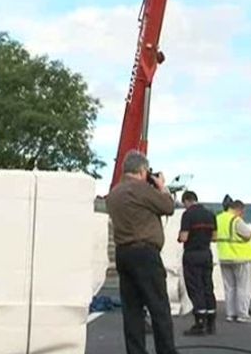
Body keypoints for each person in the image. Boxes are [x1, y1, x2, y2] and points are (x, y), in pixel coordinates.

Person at [106, 150, 178, 354]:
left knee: (132, 310)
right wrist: (162, 187)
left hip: (123, 253)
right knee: (159, 307)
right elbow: (168, 206)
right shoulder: (140, 189)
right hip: (145, 253)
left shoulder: (114, 194)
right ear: (142, 170)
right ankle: (166, 351)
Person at [178, 190, 217, 336]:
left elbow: (184, 237)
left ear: (187, 201)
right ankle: (211, 323)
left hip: (192, 254)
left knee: (195, 287)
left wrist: (181, 237)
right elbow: (214, 237)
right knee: (208, 286)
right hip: (206, 253)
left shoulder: (188, 214)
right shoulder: (210, 214)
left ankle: (199, 322)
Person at [215, 196, 251, 323]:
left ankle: (230, 313)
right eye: (242, 212)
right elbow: (247, 234)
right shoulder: (235, 220)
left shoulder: (218, 218)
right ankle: (243, 314)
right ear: (238, 209)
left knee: (230, 287)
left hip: (224, 257)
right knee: (243, 287)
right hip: (240, 258)